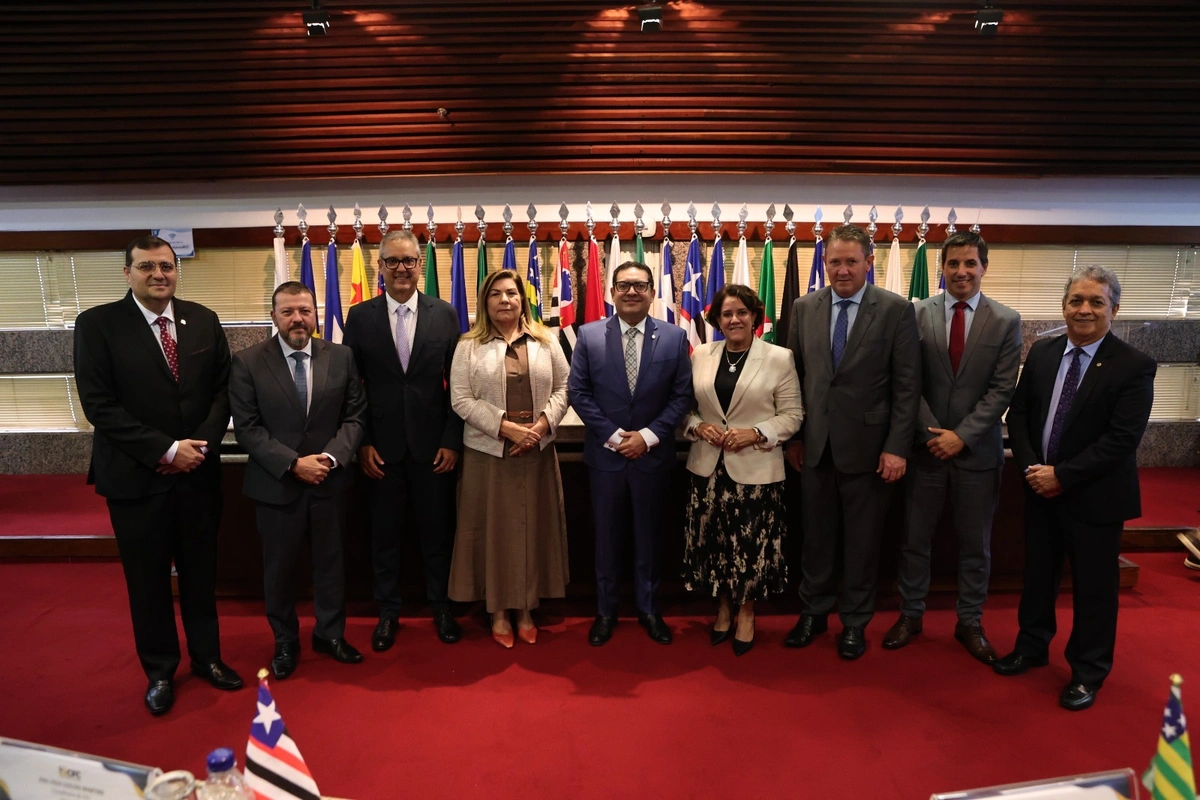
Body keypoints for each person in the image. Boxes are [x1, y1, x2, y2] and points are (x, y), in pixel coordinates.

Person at [73, 234, 243, 715]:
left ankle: (208, 659)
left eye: (166, 265)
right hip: (135, 479)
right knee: (147, 582)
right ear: (127, 273)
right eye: (146, 266)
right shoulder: (97, 325)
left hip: (197, 477)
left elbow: (221, 391)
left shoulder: (203, 320)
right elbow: (98, 406)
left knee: (200, 575)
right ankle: (161, 671)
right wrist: (168, 449)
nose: (159, 274)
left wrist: (198, 448)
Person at [995, 265, 1156, 711]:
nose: (1084, 310)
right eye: (1075, 301)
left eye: (1095, 302)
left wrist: (1061, 475)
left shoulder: (1134, 366)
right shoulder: (1044, 353)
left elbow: (1122, 439)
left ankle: (1088, 671)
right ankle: (1031, 647)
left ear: (1114, 309)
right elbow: (1021, 416)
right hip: (1038, 488)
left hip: (1095, 497)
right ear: (1064, 307)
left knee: (1094, 589)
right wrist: (1033, 469)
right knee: (1038, 577)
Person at [883, 232, 1021, 664]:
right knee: (915, 540)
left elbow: (1002, 389)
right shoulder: (915, 313)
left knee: (974, 544)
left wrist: (962, 435)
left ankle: (970, 621)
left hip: (977, 453)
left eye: (970, 263)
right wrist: (932, 433)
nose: (961, 271)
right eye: (953, 263)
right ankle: (911, 614)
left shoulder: (1006, 320)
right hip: (925, 450)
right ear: (941, 268)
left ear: (984, 267)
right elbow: (907, 381)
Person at [783, 224, 920, 660]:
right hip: (816, 448)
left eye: (851, 261)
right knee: (816, 539)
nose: (842, 270)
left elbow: (906, 386)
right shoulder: (804, 307)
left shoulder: (897, 310)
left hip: (870, 450)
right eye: (834, 262)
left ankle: (855, 622)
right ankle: (813, 612)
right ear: (824, 264)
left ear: (869, 262)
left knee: (862, 543)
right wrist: (796, 438)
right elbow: (794, 379)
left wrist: (897, 446)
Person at [229, 281, 367, 678]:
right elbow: (248, 428)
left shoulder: (341, 357)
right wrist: (294, 464)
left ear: (316, 315)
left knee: (331, 564)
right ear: (273, 317)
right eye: (287, 311)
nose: (297, 319)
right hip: (277, 486)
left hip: (329, 480)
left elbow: (356, 416)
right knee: (279, 570)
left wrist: (328, 458)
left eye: (304, 311)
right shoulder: (248, 361)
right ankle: (285, 641)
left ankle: (330, 635)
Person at [343, 229, 465, 649]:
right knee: (385, 537)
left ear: (421, 266)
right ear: (379, 268)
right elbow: (351, 387)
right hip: (381, 449)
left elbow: (458, 384)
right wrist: (361, 442)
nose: (401, 268)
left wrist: (452, 439)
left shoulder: (445, 314)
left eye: (409, 261)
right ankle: (388, 613)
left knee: (437, 533)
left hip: (435, 450)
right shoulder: (359, 316)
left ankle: (442, 608)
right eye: (392, 261)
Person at [568, 261, 693, 645]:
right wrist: (616, 437)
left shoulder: (674, 337)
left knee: (650, 539)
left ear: (653, 292)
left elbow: (681, 396)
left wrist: (648, 437)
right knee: (606, 540)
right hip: (605, 458)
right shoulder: (588, 336)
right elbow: (579, 393)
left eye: (640, 286)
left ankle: (649, 610)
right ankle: (605, 613)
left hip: (653, 457)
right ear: (611, 292)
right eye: (623, 285)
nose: (632, 292)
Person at [447, 270, 571, 648]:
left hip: (536, 452)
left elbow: (566, 386)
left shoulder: (546, 340)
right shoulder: (468, 345)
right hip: (489, 453)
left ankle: (526, 607)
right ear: (485, 303)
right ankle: (499, 610)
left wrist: (541, 427)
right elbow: (461, 399)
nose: (505, 300)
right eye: (496, 294)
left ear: (523, 300)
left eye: (512, 293)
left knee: (531, 529)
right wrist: (506, 428)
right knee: (494, 532)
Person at [682, 284, 803, 656]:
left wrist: (756, 433)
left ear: (755, 317)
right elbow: (684, 408)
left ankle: (747, 611)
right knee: (715, 543)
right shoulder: (701, 354)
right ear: (716, 320)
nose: (734, 319)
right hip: (707, 468)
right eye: (726, 313)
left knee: (749, 547)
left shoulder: (780, 358)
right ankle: (721, 607)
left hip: (756, 470)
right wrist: (698, 426)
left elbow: (793, 415)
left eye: (742, 313)